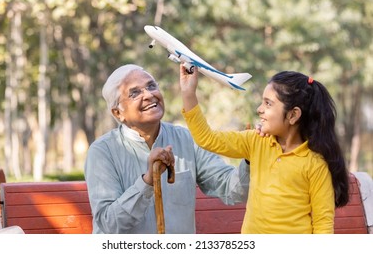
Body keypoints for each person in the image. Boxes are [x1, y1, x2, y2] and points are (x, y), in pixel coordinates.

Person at [179, 65, 350, 234]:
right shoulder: (256, 141)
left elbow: (323, 224)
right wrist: (188, 93)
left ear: (293, 115)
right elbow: (207, 139)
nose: (259, 109)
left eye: (268, 104)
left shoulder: (315, 164)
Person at [84, 64, 250, 234]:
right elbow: (108, 224)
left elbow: (234, 191)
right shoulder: (102, 152)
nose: (149, 95)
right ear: (118, 113)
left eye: (151, 86)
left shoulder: (187, 139)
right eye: (135, 93)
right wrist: (148, 181)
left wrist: (249, 156)